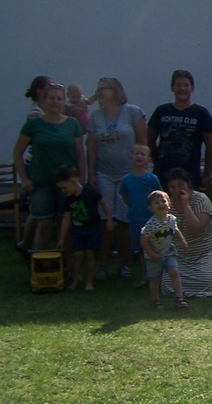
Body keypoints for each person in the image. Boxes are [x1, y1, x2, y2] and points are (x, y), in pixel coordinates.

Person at [87, 77, 148, 279]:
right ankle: (102, 266)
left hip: (128, 173)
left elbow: (143, 142)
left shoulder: (132, 112)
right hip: (104, 173)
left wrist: (143, 170)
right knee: (106, 219)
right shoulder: (95, 117)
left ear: (116, 91)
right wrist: (90, 174)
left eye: (103, 89)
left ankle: (123, 264)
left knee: (124, 220)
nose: (99, 93)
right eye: (98, 89)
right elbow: (91, 147)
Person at [13, 82, 85, 250]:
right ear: (44, 101)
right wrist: (24, 179)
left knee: (65, 225)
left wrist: (81, 179)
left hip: (67, 183)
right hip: (41, 183)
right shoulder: (33, 124)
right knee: (44, 225)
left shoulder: (72, 124)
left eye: (59, 99)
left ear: (64, 101)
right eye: (51, 98)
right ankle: (42, 263)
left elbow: (80, 153)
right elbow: (17, 152)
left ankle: (68, 263)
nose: (55, 102)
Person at [147, 69, 212, 189]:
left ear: (192, 88)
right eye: (178, 85)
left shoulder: (201, 113)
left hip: (190, 174)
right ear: (172, 88)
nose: (182, 88)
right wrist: (156, 161)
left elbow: (211, 146)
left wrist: (207, 174)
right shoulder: (161, 111)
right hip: (162, 173)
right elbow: (149, 141)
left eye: (186, 85)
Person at [162, 168, 212, 298]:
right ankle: (184, 290)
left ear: (188, 184)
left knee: (206, 280)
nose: (177, 190)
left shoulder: (201, 199)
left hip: (206, 253)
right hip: (180, 256)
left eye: (181, 185)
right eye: (172, 187)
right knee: (167, 282)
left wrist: (186, 205)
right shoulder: (168, 205)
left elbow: (195, 230)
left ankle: (194, 287)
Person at [14, 75, 55, 257]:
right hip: (35, 166)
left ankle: (25, 244)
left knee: (38, 212)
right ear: (39, 91)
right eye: (50, 85)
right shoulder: (36, 114)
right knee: (38, 212)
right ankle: (30, 246)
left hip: (45, 166)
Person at [56, 165, 114, 291]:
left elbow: (103, 202)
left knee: (89, 254)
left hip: (93, 228)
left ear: (73, 181)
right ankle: (75, 280)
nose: (63, 191)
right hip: (77, 230)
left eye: (64, 187)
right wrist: (62, 238)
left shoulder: (90, 192)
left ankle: (89, 282)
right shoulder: (68, 200)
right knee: (77, 254)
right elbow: (66, 219)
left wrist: (109, 219)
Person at [119, 144, 163, 275]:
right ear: (131, 157)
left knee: (155, 246)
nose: (139, 156)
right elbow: (125, 197)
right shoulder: (126, 179)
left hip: (151, 219)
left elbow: (159, 196)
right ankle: (145, 276)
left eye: (143, 154)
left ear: (148, 159)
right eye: (136, 154)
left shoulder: (152, 178)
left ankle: (158, 275)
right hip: (134, 219)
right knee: (141, 249)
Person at [140, 190, 188, 309]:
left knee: (174, 272)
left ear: (169, 204)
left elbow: (175, 230)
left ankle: (179, 297)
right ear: (151, 208)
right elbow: (143, 241)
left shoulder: (172, 219)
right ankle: (155, 300)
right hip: (154, 256)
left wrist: (182, 241)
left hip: (169, 252)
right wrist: (151, 254)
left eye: (163, 201)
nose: (161, 204)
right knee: (155, 279)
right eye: (156, 203)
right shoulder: (150, 225)